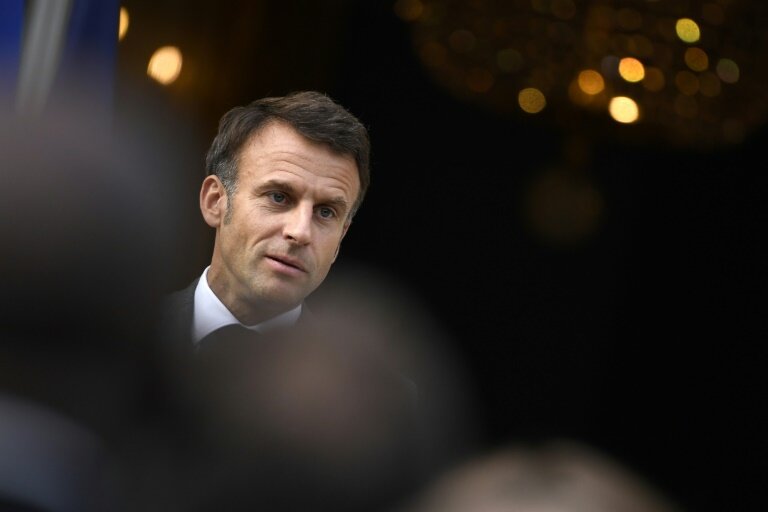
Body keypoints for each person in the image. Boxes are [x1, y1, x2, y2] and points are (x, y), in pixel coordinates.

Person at [160, 90, 370, 352]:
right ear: (215, 202)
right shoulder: (111, 341)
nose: (300, 232)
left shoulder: (378, 392)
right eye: (279, 197)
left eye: (325, 212)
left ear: (341, 237)